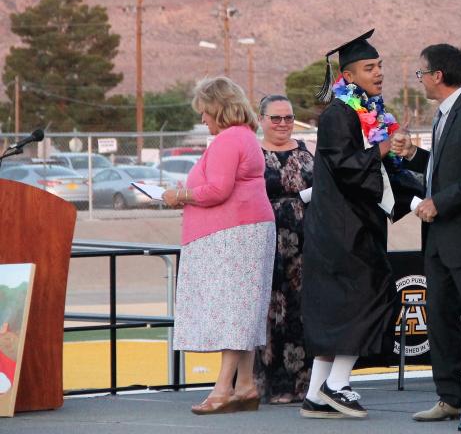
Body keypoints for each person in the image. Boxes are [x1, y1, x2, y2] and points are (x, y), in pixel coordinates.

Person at [299, 30, 418, 419]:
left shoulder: (369, 112)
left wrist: (413, 194)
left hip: (356, 223)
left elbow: (380, 170)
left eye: (380, 65)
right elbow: (349, 167)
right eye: (369, 67)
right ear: (348, 77)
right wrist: (383, 147)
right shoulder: (338, 114)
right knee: (366, 297)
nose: (379, 72)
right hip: (341, 228)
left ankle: (317, 394)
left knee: (340, 307)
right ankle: (339, 384)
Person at [391, 44, 461, 422]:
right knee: (441, 319)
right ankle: (450, 397)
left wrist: (439, 202)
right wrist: (413, 156)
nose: (419, 80)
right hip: (440, 239)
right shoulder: (444, 115)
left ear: (438, 76)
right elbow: (447, 169)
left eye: (421, 73)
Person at [162, 77, 275, 416]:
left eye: (205, 113)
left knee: (231, 310)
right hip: (245, 229)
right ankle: (244, 385)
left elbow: (218, 190)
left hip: (231, 233)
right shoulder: (246, 137)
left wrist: (179, 196)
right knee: (244, 308)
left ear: (218, 109)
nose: (203, 120)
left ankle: (223, 390)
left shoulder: (228, 140)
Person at [252, 94, 314, 404]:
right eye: (275, 118)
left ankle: (303, 385)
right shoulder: (252, 153)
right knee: (267, 311)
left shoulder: (305, 152)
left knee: (301, 310)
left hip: (303, 243)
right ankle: (270, 385)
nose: (282, 124)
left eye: (288, 117)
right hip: (263, 241)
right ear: (261, 119)